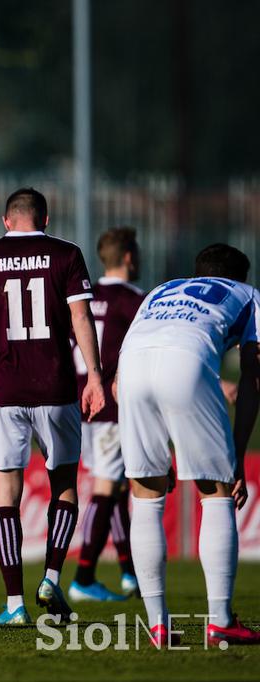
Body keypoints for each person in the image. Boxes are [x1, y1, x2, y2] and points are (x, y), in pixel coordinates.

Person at [0, 188, 105, 626]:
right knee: (65, 485)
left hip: (3, 389)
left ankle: (14, 604)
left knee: (5, 497)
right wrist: (93, 375)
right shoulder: (67, 254)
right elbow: (81, 318)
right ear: (46, 219)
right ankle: (52, 577)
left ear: (5, 220)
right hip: (54, 387)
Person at [117, 243, 260, 647]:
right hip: (187, 360)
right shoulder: (248, 295)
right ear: (240, 277)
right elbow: (253, 377)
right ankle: (220, 621)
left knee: (146, 494)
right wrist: (236, 456)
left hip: (131, 366)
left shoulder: (161, 290)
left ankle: (158, 624)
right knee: (216, 492)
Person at [67, 227, 144, 603]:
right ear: (130, 256)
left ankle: (130, 572)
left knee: (115, 486)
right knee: (107, 486)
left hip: (80, 404)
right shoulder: (135, 301)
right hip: (111, 406)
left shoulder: (83, 297)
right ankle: (83, 576)